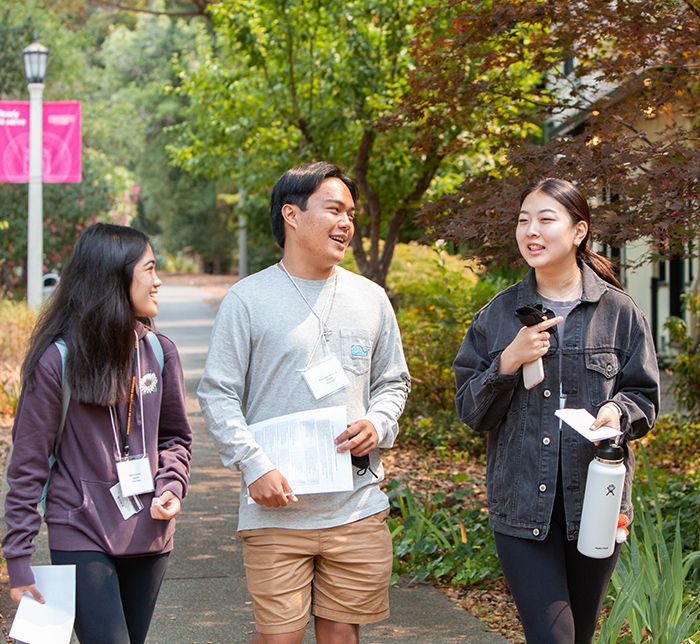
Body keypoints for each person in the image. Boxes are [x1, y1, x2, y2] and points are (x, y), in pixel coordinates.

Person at [198, 161, 410, 644]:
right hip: (276, 511)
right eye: (334, 209)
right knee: (281, 638)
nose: (347, 223)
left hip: (355, 507)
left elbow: (394, 382)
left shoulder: (371, 298)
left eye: (351, 214)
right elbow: (218, 392)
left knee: (340, 636)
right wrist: (252, 465)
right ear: (291, 215)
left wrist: (378, 424)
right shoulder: (247, 299)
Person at [453, 178, 659, 644]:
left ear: (579, 230)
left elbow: (644, 396)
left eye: (546, 219)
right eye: (524, 220)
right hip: (523, 505)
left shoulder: (619, 311)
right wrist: (508, 361)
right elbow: (470, 411)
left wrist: (616, 411)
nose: (531, 231)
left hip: (598, 504)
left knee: (578, 635)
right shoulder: (499, 314)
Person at [3, 223, 192, 644]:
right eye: (149, 269)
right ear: (115, 277)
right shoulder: (58, 361)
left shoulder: (159, 352)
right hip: (80, 527)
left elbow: (174, 438)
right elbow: (27, 465)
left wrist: (171, 485)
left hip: (150, 529)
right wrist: (17, 556)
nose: (158, 280)